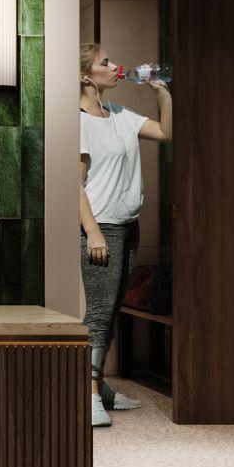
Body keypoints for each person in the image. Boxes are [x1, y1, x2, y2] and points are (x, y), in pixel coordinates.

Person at [78, 42, 171, 427]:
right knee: (99, 313)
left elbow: (165, 132)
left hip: (129, 225)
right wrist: (93, 233)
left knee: (113, 308)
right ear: (86, 76)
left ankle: (100, 387)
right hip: (102, 228)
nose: (116, 66)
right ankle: (88, 395)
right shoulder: (79, 122)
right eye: (105, 62)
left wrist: (162, 91)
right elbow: (74, 185)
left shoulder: (119, 114)